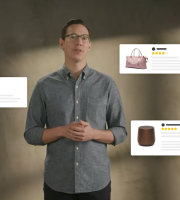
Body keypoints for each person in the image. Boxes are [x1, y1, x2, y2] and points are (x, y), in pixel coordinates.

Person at [24, 19, 127, 200]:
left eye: (84, 38)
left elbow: (120, 132)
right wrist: (62, 131)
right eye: (73, 36)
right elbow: (31, 133)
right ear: (62, 43)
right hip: (57, 182)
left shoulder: (107, 84)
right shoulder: (44, 86)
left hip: (96, 182)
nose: (79, 41)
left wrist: (93, 133)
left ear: (89, 45)